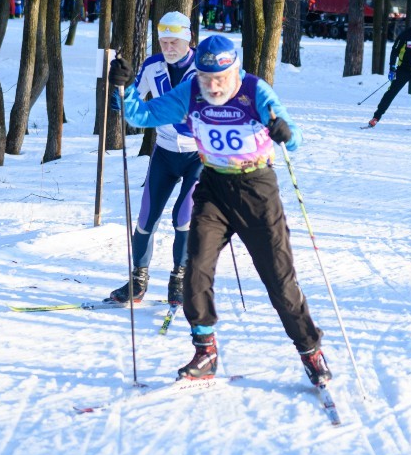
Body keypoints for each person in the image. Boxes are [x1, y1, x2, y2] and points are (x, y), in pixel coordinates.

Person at [108, 34, 332, 385]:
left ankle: (310, 350)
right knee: (195, 269)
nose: (213, 87)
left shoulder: (255, 92)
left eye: (221, 79)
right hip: (213, 186)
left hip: (256, 188)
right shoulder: (191, 92)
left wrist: (284, 132)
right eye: (206, 78)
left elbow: (295, 137)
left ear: (235, 72)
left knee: (278, 278)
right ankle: (205, 350)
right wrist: (123, 89)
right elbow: (143, 114)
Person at [107, 11, 203, 308]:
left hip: (197, 154)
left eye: (175, 41)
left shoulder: (203, 67)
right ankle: (138, 279)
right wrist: (119, 88)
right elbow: (129, 103)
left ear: (188, 39)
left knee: (183, 217)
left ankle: (180, 278)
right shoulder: (152, 66)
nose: (169, 47)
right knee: (147, 216)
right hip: (164, 151)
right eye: (163, 42)